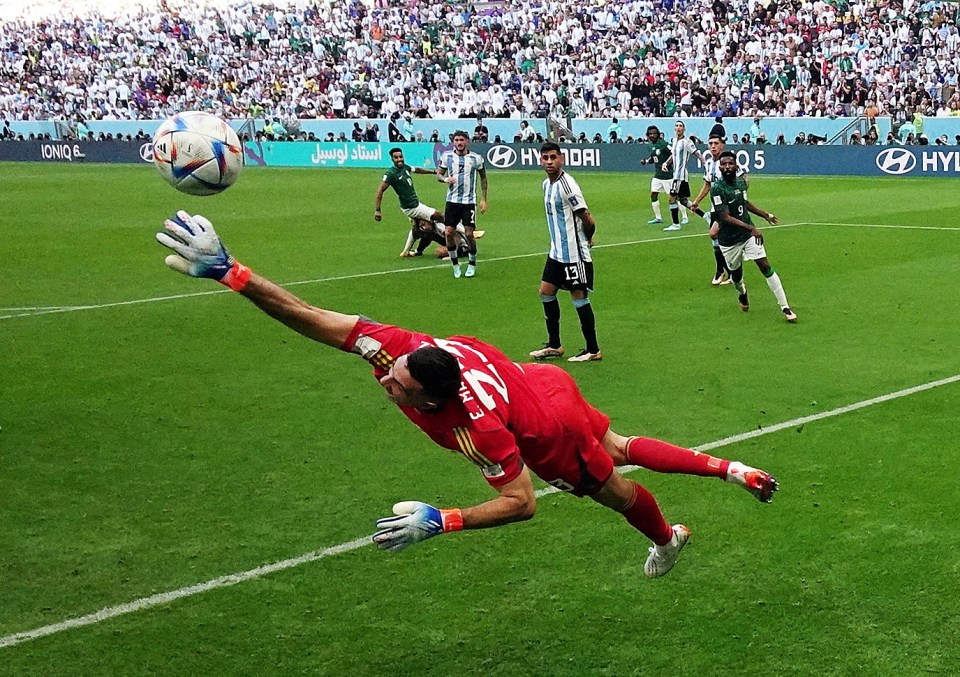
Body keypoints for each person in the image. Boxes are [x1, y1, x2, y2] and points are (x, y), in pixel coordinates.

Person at [154, 212, 780, 577]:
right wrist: (233, 274)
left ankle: (668, 538)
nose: (387, 380)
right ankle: (730, 469)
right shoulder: (401, 348)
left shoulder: (476, 429)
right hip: (540, 380)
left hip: (543, 423)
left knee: (613, 485)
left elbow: (521, 501)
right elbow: (313, 316)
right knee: (617, 443)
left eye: (399, 385)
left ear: (432, 400)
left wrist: (443, 521)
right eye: (392, 372)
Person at [529, 142, 602, 363]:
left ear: (561, 158)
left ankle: (593, 349)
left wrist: (587, 238)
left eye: (553, 157)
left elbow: (587, 216)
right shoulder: (546, 184)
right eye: (545, 158)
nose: (549, 161)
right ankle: (554, 345)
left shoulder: (567, 185)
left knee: (579, 298)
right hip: (556, 252)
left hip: (573, 253)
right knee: (545, 292)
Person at [709, 151, 797, 322]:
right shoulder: (717, 189)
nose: (727, 167)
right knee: (736, 276)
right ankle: (742, 293)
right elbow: (725, 217)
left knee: (764, 265)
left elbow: (745, 203)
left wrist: (765, 215)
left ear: (736, 166)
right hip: (728, 241)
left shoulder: (741, 183)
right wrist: (752, 227)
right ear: (719, 167)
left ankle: (785, 307)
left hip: (747, 234)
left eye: (730, 164)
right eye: (724, 164)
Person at [689, 134, 750, 286]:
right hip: (716, 209)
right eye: (710, 143)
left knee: (715, 234)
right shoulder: (710, 164)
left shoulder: (728, 163)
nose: (713, 146)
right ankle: (727, 270)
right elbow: (707, 184)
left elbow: (745, 180)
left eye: (716, 143)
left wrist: (734, 196)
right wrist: (696, 201)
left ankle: (725, 270)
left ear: (722, 145)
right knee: (716, 238)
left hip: (731, 210)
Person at [373, 148, 444, 257]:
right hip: (411, 207)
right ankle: (461, 231)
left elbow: (418, 170)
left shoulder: (405, 167)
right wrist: (377, 210)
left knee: (418, 229)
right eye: (396, 158)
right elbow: (380, 190)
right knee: (438, 216)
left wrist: (433, 172)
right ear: (392, 159)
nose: (399, 159)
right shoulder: (391, 173)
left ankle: (407, 252)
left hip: (413, 204)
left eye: (400, 156)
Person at [436, 131, 488, 278]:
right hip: (452, 201)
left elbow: (483, 178)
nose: (459, 143)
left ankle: (472, 263)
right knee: (448, 232)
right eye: (457, 140)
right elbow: (439, 175)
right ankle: (455, 264)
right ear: (454, 142)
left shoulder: (476, 158)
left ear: (467, 141)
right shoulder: (447, 156)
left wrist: (484, 199)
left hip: (469, 202)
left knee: (469, 234)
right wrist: (445, 179)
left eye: (462, 140)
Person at [662, 121, 706, 232]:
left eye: (680, 126)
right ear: (674, 128)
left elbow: (697, 153)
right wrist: (666, 163)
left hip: (680, 175)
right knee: (683, 201)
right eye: (676, 126)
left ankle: (676, 224)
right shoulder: (674, 141)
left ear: (684, 129)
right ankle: (706, 216)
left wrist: (706, 164)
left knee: (672, 199)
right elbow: (674, 155)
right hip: (677, 175)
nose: (678, 128)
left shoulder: (687, 142)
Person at [639, 125, 671, 225]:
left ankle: (684, 217)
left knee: (674, 197)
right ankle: (658, 218)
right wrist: (646, 161)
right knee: (653, 194)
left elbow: (673, 153)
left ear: (658, 134)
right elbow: (654, 158)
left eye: (654, 133)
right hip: (657, 175)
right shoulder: (650, 145)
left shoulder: (663, 144)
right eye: (650, 134)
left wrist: (667, 164)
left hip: (667, 176)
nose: (652, 135)